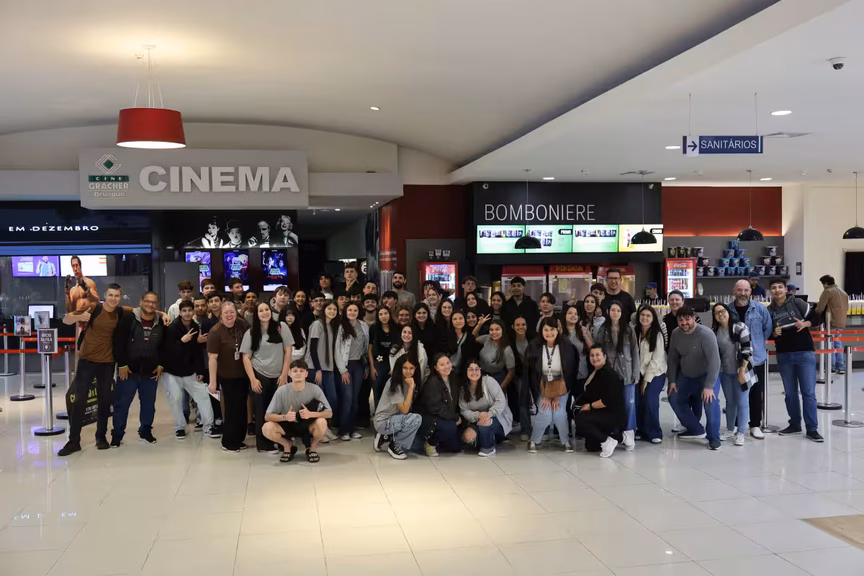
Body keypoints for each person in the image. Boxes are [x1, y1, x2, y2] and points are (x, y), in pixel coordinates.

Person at [59, 284, 125, 456]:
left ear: (120, 297)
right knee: (79, 401)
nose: (113, 299)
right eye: (110, 295)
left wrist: (162, 314)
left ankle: (101, 437)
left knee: (104, 401)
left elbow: (143, 310)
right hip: (87, 361)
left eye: (117, 296)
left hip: (107, 363)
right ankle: (74, 441)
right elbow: (66, 319)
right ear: (105, 295)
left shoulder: (120, 312)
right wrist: (79, 316)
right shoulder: (94, 307)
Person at [768, 278, 823, 442]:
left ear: (786, 290)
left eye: (780, 287)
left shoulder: (797, 303)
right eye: (774, 287)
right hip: (784, 355)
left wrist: (806, 323)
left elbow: (818, 317)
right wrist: (774, 334)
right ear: (770, 291)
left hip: (804, 353)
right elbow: (767, 331)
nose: (777, 290)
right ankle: (794, 424)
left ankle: (812, 429)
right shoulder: (769, 310)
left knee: (808, 393)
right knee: (790, 393)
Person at [111, 290, 166, 447]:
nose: (150, 304)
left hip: (150, 372)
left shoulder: (161, 323)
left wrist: (161, 364)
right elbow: (118, 343)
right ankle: (117, 435)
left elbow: (164, 346)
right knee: (122, 404)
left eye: (154, 302)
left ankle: (145, 431)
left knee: (149, 405)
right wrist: (122, 364)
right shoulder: (128, 319)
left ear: (157, 305)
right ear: (141, 301)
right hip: (128, 371)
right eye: (147, 301)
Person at [161, 300, 219, 440]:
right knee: (175, 398)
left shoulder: (195, 326)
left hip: (189, 371)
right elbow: (168, 351)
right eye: (184, 311)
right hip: (171, 371)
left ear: (193, 312)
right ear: (180, 313)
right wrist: (182, 341)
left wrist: (200, 371)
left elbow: (196, 352)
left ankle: (208, 427)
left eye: (189, 310)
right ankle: (180, 427)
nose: (187, 313)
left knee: (203, 396)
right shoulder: (172, 328)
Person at [667, 306, 722, 450]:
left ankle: (714, 438)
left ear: (694, 318)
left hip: (707, 376)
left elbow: (714, 361)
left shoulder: (706, 334)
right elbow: (672, 358)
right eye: (680, 320)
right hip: (686, 376)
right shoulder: (676, 334)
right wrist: (672, 380)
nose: (684, 323)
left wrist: (709, 386)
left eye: (687, 319)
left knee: (710, 402)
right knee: (674, 397)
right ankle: (696, 429)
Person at [241, 301, 293, 453]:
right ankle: (264, 444)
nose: (265, 313)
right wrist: (253, 380)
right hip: (260, 374)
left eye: (266, 309)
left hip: (280, 375)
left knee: (281, 410)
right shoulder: (251, 333)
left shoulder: (281, 327)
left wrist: (284, 374)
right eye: (261, 311)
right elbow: (246, 358)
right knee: (262, 410)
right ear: (256, 314)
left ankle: (282, 441)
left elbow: (288, 352)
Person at [525, 317, 578, 453]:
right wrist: (547, 395)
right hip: (541, 385)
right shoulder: (534, 346)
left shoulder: (567, 345)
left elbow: (571, 371)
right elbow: (531, 373)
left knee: (559, 413)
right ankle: (534, 440)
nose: (549, 333)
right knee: (545, 413)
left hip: (562, 385)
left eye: (552, 329)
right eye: (546, 330)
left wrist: (556, 395)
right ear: (541, 331)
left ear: (558, 330)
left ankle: (565, 441)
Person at [262, 359, 331, 463]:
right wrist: (285, 417)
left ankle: (312, 449)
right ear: (289, 373)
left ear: (306, 374)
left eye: (301, 371)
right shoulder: (281, 391)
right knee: (266, 428)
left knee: (322, 422)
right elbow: (267, 416)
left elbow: (329, 413)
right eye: (295, 371)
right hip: (287, 424)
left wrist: (310, 414)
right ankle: (287, 446)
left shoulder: (315, 389)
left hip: (307, 425)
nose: (298, 373)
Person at [731, 279, 773, 439]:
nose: (743, 293)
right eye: (739, 290)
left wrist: (755, 344)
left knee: (756, 393)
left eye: (746, 290)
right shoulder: (727, 309)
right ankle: (736, 424)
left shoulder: (760, 309)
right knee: (736, 393)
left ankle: (755, 425)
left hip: (756, 358)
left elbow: (767, 329)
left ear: (750, 291)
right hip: (734, 359)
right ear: (734, 291)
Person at [596, 301, 640, 450]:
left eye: (618, 310)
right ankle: (615, 434)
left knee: (629, 405)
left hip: (627, 372)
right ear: (608, 312)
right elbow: (599, 353)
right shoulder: (603, 330)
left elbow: (635, 352)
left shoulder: (628, 329)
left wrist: (636, 373)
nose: (615, 313)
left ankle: (629, 433)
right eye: (613, 310)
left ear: (622, 313)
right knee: (613, 404)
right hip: (610, 374)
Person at [207, 301, 250, 452]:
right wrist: (212, 382)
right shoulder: (215, 332)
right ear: (221, 314)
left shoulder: (242, 324)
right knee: (231, 409)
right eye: (226, 313)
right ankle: (228, 441)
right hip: (227, 375)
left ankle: (239, 438)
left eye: (232, 312)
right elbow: (212, 358)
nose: (229, 315)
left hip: (243, 374)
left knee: (242, 407)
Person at [711, 303, 753, 447]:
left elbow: (747, 350)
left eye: (722, 311)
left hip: (742, 370)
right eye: (717, 313)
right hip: (725, 372)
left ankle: (741, 432)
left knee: (742, 402)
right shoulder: (715, 331)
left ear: (728, 312)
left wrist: (742, 370)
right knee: (730, 402)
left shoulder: (740, 327)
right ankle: (730, 429)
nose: (720, 314)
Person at [573, 345, 626, 457]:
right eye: (592, 355)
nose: (594, 358)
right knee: (591, 447)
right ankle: (623, 437)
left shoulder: (609, 374)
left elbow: (608, 401)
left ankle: (607, 441)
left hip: (611, 413)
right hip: (600, 411)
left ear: (605, 356)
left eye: (598, 355)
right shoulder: (595, 372)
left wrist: (589, 406)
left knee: (580, 419)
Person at [373, 355, 422, 460]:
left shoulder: (411, 381)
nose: (408, 371)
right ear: (400, 368)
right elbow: (404, 410)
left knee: (417, 445)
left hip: (396, 417)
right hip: (383, 421)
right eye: (405, 368)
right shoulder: (394, 382)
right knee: (416, 419)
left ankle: (385, 437)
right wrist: (411, 387)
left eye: (411, 368)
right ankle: (395, 445)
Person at [459, 359, 512, 456]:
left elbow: (501, 401)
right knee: (467, 436)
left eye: (477, 369)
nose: (474, 372)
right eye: (471, 369)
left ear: (480, 370)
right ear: (466, 371)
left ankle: (488, 448)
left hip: (497, 417)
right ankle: (490, 438)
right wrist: (478, 415)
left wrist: (489, 414)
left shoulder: (488, 381)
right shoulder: (463, 389)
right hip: (477, 419)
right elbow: (464, 410)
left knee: (485, 423)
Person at [415, 354, 462, 456]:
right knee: (450, 427)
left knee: (456, 446)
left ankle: (439, 441)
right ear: (436, 368)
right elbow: (436, 408)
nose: (446, 366)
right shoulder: (432, 382)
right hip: (430, 418)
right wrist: (455, 417)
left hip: (444, 416)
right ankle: (430, 444)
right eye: (442, 365)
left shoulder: (453, 378)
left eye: (448, 363)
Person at [335, 302, 369, 440]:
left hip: (359, 365)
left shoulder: (364, 325)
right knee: (347, 398)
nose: (352, 312)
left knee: (355, 398)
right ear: (345, 311)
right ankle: (343, 430)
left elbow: (365, 348)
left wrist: (366, 366)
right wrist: (342, 370)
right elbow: (337, 350)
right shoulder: (341, 326)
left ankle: (352, 429)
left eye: (355, 310)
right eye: (350, 310)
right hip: (345, 365)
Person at [635, 305, 666, 444]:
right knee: (637, 400)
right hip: (638, 372)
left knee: (649, 399)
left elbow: (657, 360)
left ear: (653, 318)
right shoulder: (634, 331)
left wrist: (646, 380)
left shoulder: (657, 334)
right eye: (642, 315)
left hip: (656, 373)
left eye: (648, 316)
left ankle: (654, 432)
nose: (645, 318)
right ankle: (641, 430)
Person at [308, 299, 340, 435]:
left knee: (332, 398)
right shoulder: (317, 324)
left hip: (329, 368)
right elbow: (312, 348)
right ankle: (320, 430)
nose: (332, 311)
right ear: (324, 310)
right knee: (319, 400)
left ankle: (326, 426)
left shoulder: (332, 326)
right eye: (329, 308)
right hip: (316, 368)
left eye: (334, 309)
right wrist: (318, 370)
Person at [816, 274, 849, 375]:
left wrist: (814, 314)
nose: (823, 286)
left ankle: (832, 367)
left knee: (830, 344)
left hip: (831, 321)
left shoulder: (827, 292)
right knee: (838, 343)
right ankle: (841, 367)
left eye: (823, 284)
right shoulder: (844, 293)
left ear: (826, 283)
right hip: (841, 321)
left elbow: (820, 308)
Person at [473, 320, 515, 398]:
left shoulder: (507, 349)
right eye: (491, 330)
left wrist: (501, 387)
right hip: (482, 375)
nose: (494, 332)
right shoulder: (487, 338)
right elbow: (473, 337)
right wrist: (479, 325)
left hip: (497, 378)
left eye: (497, 329)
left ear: (503, 330)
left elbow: (511, 372)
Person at [369, 306, 397, 410]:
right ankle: (378, 413)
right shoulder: (374, 328)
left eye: (386, 313)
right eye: (381, 314)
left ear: (389, 314)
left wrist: (394, 366)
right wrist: (372, 367)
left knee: (391, 390)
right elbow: (369, 350)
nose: (383, 316)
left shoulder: (396, 328)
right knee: (378, 389)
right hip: (378, 363)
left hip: (392, 363)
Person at [562, 305, 592, 398]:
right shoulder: (559, 332)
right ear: (565, 315)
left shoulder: (583, 330)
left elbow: (592, 349)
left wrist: (585, 335)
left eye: (575, 314)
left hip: (581, 374)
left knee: (580, 403)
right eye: (570, 313)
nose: (573, 315)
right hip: (564, 376)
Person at [511, 315, 532, 440]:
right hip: (519, 375)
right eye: (518, 325)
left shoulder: (532, 339)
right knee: (522, 400)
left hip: (534, 374)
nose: (521, 327)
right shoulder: (510, 341)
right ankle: (525, 429)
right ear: (513, 327)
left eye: (523, 324)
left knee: (538, 399)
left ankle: (543, 429)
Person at [64, 255, 100, 324]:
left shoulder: (89, 282)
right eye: (73, 266)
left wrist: (86, 289)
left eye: (76, 265)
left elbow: (97, 300)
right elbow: (69, 312)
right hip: (78, 324)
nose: (75, 269)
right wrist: (67, 293)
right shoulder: (72, 290)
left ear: (80, 266)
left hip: (90, 322)